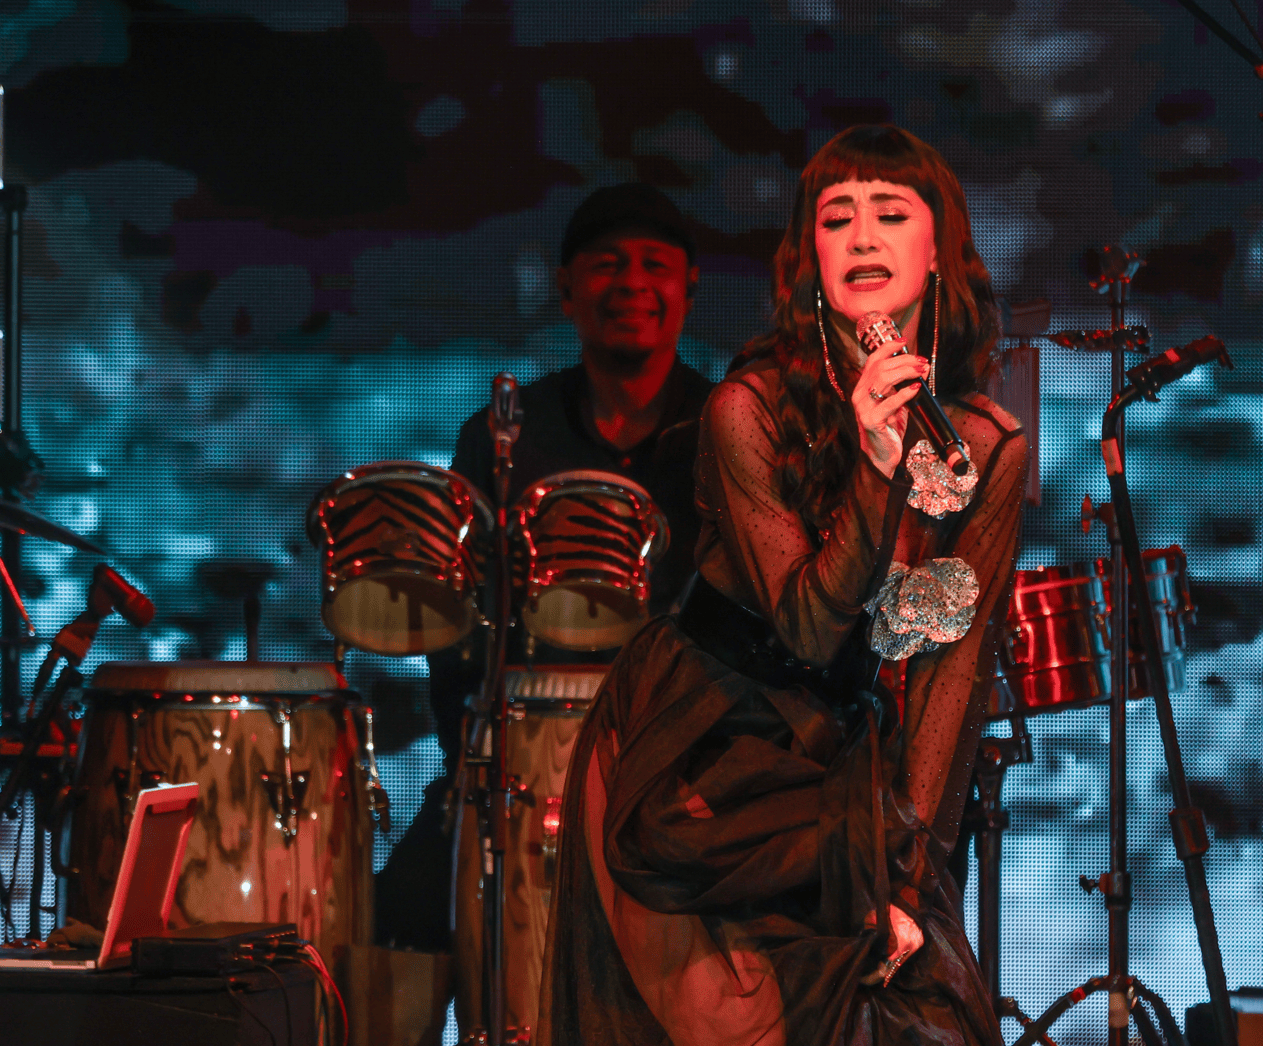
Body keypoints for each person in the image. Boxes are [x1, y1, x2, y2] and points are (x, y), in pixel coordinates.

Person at [544, 124, 1026, 1045]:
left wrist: (911, 884)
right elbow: (809, 627)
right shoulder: (748, 408)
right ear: (811, 253)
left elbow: (951, 674)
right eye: (837, 218)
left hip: (837, 766)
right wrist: (875, 469)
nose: (863, 236)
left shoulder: (985, 444)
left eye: (891, 213)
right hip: (702, 756)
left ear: (940, 249)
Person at [374, 182, 715, 952]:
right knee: (390, 927)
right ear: (566, 290)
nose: (631, 283)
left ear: (689, 288)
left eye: (654, 264)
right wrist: (472, 756)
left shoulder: (727, 432)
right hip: (517, 765)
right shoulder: (501, 437)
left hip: (683, 768)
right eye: (607, 264)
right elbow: (455, 627)